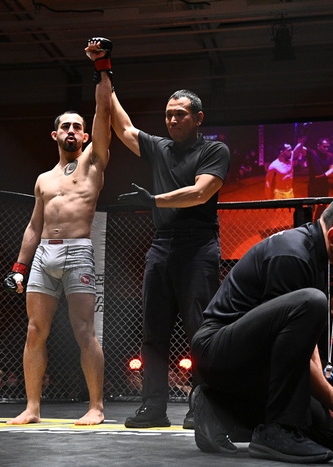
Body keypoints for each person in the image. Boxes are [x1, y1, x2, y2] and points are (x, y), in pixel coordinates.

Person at [190, 183, 333, 463]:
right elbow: (290, 338)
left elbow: (303, 346)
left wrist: (329, 401)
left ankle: (218, 410)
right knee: (312, 301)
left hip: (253, 360)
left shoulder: (319, 256)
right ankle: (277, 430)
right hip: (219, 351)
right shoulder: (292, 254)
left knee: (328, 432)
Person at [3, 38, 113, 426]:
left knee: (84, 331)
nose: (71, 130)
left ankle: (96, 407)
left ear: (85, 136)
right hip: (42, 258)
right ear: (55, 135)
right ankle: (32, 408)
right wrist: (19, 266)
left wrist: (102, 66)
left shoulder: (93, 162)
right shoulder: (43, 179)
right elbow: (35, 225)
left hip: (78, 252)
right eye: (65, 126)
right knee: (35, 331)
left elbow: (104, 109)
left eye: (77, 127)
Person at [112, 86, 230, 429]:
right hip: (162, 245)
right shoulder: (159, 147)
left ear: (198, 118)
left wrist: (154, 200)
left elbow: (200, 192)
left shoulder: (214, 150)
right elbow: (122, 127)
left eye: (180, 114)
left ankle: (202, 407)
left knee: (200, 331)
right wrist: (104, 74)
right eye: (168, 115)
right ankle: (153, 408)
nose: (173, 120)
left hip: (198, 246)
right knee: (153, 332)